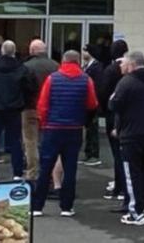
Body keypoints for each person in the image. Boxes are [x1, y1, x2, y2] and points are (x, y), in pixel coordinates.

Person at [32, 50, 99, 217]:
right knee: (70, 168)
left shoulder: (52, 79)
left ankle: (37, 206)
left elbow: (42, 105)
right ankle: (66, 207)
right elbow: (92, 104)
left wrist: (44, 123)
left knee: (45, 167)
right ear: (78, 61)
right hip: (74, 129)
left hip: (52, 128)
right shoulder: (86, 80)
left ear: (63, 61)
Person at [109, 51, 144, 227]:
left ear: (131, 65)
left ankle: (136, 213)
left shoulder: (126, 82)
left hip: (131, 135)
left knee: (132, 174)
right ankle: (143, 202)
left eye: (123, 63)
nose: (120, 66)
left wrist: (119, 127)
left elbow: (114, 104)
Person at [0, 40, 35, 185]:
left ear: (2, 51)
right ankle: (17, 173)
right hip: (14, 109)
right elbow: (29, 88)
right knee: (15, 142)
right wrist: (22, 102)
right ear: (14, 51)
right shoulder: (21, 68)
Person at [22, 39, 58, 181]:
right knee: (48, 141)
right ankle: (50, 173)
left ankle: (32, 172)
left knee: (30, 141)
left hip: (30, 107)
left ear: (32, 51)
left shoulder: (26, 66)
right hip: (50, 108)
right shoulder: (55, 66)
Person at [99, 39, 129, 201]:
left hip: (113, 115)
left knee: (117, 153)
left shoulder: (110, 70)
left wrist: (105, 110)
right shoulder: (130, 69)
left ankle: (120, 187)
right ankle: (123, 185)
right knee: (125, 153)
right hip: (129, 116)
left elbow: (103, 92)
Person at [81, 45, 104, 166]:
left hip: (93, 104)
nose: (83, 53)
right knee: (89, 129)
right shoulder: (86, 66)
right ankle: (88, 153)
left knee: (93, 129)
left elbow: (98, 87)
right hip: (87, 103)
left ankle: (94, 155)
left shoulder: (96, 68)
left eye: (85, 51)